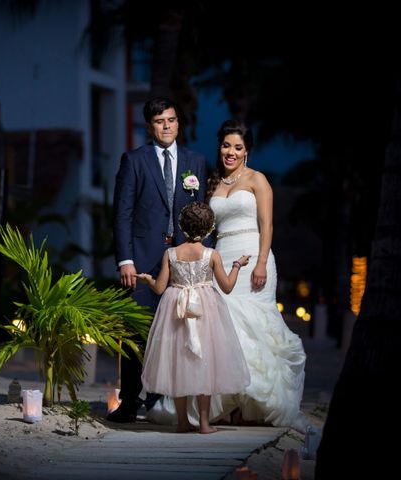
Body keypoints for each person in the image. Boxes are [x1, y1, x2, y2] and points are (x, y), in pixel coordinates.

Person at [147, 119, 308, 430]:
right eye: (225, 145)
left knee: (254, 325)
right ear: (219, 146)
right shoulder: (211, 183)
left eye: (237, 147)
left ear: (247, 150)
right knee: (224, 329)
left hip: (252, 257)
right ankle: (230, 403)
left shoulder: (258, 180)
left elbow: (268, 225)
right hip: (222, 256)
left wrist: (261, 262)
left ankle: (253, 404)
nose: (230, 152)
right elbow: (203, 224)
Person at [109, 96, 207, 423]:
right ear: (150, 126)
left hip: (181, 261)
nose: (167, 126)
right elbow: (122, 213)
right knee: (137, 331)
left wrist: (199, 259)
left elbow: (201, 213)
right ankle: (128, 400)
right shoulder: (134, 160)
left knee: (175, 332)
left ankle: (159, 399)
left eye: (172, 120)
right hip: (141, 259)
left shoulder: (196, 161)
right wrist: (125, 259)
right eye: (159, 121)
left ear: (179, 123)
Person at [136, 202, 251, 433]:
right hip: (206, 310)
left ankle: (182, 422)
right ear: (209, 229)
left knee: (179, 362)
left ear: (181, 226)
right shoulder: (212, 254)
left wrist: (148, 279)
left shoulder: (170, 253)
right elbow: (227, 287)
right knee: (204, 362)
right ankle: (205, 424)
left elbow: (159, 288)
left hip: (176, 309)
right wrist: (237, 265)